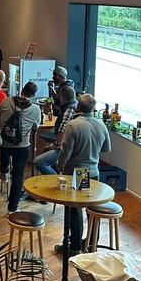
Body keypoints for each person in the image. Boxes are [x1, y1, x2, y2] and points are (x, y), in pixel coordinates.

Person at [56, 93, 111, 255]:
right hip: (94, 171)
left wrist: (60, 165)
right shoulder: (101, 124)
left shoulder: (73, 125)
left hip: (79, 171)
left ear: (78, 107)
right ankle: (91, 243)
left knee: (75, 209)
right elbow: (107, 148)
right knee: (92, 209)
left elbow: (66, 151)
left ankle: (74, 246)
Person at [0, 81, 42, 213]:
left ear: (22, 90)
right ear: (33, 95)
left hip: (4, 143)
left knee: (3, 147)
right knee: (18, 175)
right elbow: (35, 127)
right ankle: (12, 207)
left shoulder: (6, 101)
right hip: (22, 146)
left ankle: (3, 170)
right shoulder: (36, 109)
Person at [34, 85, 78, 175]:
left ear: (62, 97)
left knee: (38, 162)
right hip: (78, 154)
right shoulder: (75, 106)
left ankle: (56, 179)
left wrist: (57, 145)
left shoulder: (70, 109)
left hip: (67, 149)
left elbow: (63, 129)